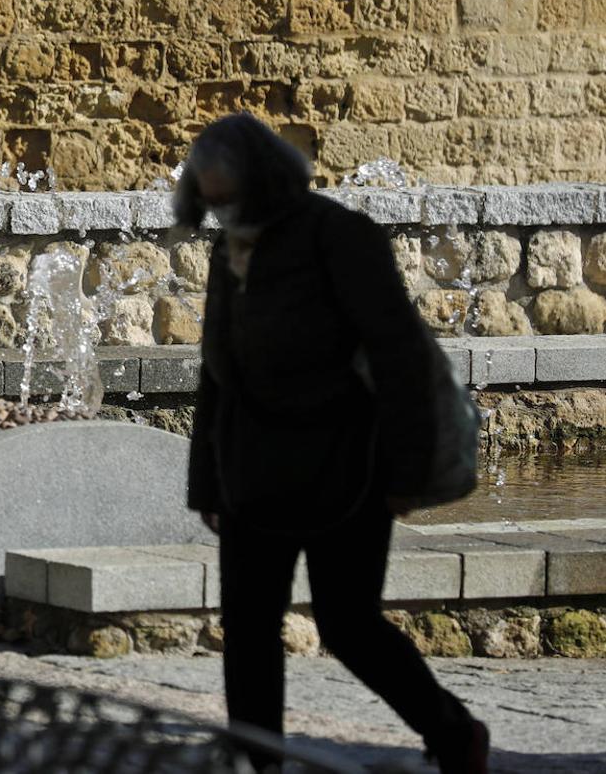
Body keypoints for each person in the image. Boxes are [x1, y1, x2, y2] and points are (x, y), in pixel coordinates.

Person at [175, 113, 489, 774]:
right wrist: (206, 484)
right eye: (209, 200)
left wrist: (406, 472)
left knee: (348, 626)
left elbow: (399, 355)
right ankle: (259, 760)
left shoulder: (339, 236)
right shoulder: (227, 251)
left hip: (344, 467)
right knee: (249, 631)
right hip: (249, 472)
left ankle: (452, 730)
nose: (218, 210)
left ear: (261, 182)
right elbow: (215, 370)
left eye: (226, 196)